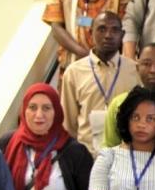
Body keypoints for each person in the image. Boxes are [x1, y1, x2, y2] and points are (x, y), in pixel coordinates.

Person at [60, 11, 139, 153]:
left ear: (122, 35)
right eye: (102, 29)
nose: (108, 35)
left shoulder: (135, 71)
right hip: (87, 155)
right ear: (91, 33)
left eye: (114, 30)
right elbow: (69, 124)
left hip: (126, 155)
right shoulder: (74, 72)